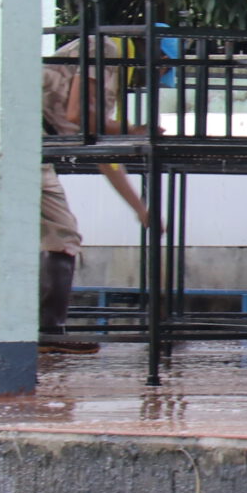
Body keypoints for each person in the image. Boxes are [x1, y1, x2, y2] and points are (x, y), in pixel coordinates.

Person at [37, 39, 151, 351]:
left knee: (52, 236)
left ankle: (43, 330)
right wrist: (132, 130)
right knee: (62, 236)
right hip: (25, 136)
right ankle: (47, 332)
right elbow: (79, 116)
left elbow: (104, 154)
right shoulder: (105, 50)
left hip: (31, 139)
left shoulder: (105, 67)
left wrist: (140, 209)